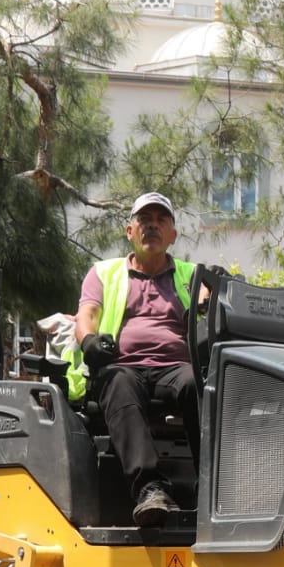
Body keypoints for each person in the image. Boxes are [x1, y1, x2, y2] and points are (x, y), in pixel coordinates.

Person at [67, 192, 203, 527]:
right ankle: (149, 490)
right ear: (130, 231)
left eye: (161, 220)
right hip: (124, 366)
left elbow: (209, 303)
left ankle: (213, 485)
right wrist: (89, 341)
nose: (152, 226)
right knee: (119, 382)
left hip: (176, 368)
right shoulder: (104, 273)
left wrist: (207, 300)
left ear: (173, 234)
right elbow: (87, 315)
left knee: (198, 385)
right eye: (144, 220)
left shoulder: (192, 275)